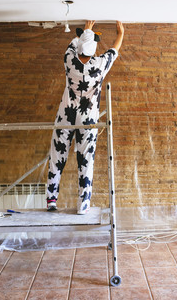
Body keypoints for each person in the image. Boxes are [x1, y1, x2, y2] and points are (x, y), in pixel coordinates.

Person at [46, 20, 124, 214]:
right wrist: (120, 33)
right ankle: (83, 204)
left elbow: (72, 45)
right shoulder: (99, 65)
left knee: (57, 156)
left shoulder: (69, 60)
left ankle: (51, 200)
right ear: (94, 49)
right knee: (86, 160)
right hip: (88, 120)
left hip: (66, 116)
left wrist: (86, 31)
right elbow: (114, 50)